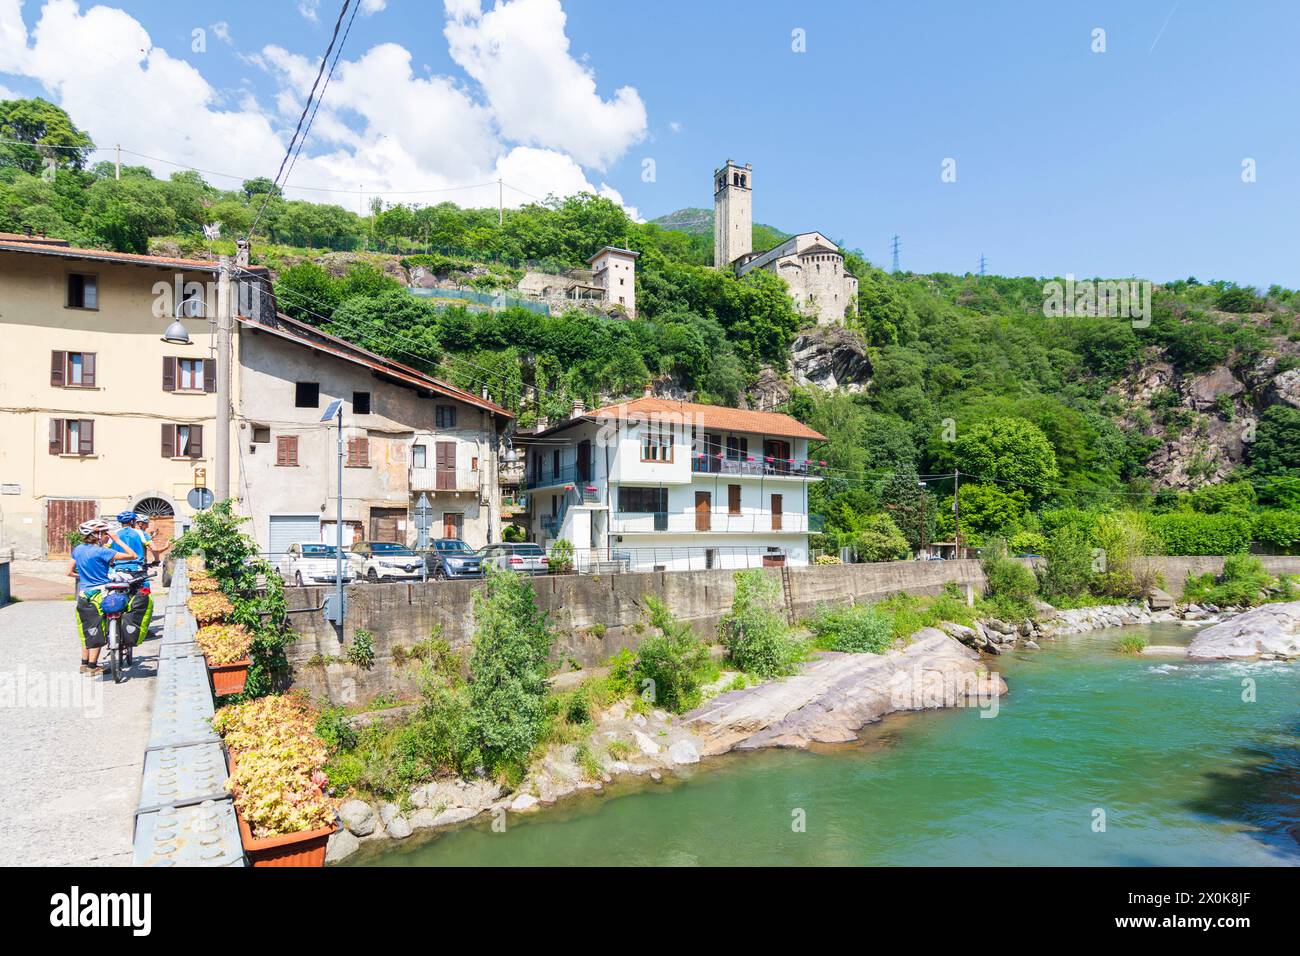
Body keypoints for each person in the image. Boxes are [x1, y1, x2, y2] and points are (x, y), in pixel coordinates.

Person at [67, 519, 140, 674]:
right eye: (106, 534)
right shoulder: (103, 552)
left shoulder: (78, 549)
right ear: (98, 535)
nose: (108, 536)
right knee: (99, 627)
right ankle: (93, 666)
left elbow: (69, 572)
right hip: (101, 593)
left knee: (87, 628)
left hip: (83, 593)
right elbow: (132, 555)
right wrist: (117, 539)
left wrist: (86, 577)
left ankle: (84, 664)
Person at [109, 511, 153, 664]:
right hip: (136, 570)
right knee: (143, 596)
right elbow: (154, 549)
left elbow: (105, 551)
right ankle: (138, 628)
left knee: (113, 597)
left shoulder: (114, 534)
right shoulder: (140, 533)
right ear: (134, 521)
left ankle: (111, 627)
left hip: (117, 572)